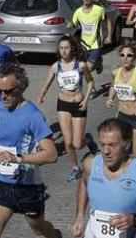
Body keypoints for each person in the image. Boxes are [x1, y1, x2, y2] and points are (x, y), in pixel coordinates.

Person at [0, 63, 58, 238]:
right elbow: (4, 140)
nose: (3, 96)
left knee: (39, 229)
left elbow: (51, 154)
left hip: (28, 186)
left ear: (21, 87)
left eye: (8, 91)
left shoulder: (33, 116)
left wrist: (17, 158)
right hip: (1, 182)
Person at [70, 118, 136, 238]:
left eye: (112, 145)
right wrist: (80, 215)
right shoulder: (91, 164)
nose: (106, 151)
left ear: (127, 144)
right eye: (102, 145)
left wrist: (135, 219)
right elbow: (84, 183)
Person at [37, 36, 95, 182]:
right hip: (63, 104)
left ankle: (87, 140)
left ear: (72, 49)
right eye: (61, 48)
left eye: (67, 48)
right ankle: (75, 168)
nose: (64, 51)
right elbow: (48, 82)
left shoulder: (81, 65)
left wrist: (86, 99)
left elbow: (90, 82)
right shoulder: (56, 67)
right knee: (68, 142)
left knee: (77, 143)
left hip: (79, 104)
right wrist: (42, 94)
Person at [69, 0, 113, 74]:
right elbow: (73, 24)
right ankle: (98, 63)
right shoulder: (78, 12)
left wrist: (109, 36)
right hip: (83, 45)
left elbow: (108, 21)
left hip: (96, 44)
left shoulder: (99, 10)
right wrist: (70, 25)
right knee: (85, 68)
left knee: (87, 68)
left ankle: (95, 66)